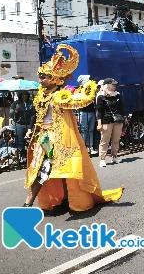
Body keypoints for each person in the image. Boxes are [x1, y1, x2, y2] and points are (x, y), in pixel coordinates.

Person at [22, 44, 123, 213]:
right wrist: (31, 130)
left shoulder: (60, 96)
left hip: (60, 139)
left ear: (54, 78)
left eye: (44, 77)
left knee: (62, 169)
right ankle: (28, 203)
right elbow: (37, 115)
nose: (40, 80)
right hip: (44, 140)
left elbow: (78, 99)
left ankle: (63, 199)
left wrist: (89, 91)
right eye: (40, 77)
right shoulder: (41, 95)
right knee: (41, 168)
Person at [96, 78, 125, 167]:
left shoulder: (117, 95)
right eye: (113, 85)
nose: (115, 87)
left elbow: (121, 107)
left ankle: (115, 156)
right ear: (107, 85)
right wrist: (99, 123)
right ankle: (102, 159)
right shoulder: (101, 96)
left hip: (117, 120)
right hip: (106, 120)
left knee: (116, 140)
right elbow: (99, 111)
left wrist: (124, 118)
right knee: (104, 140)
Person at [77, 75, 98, 156]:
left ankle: (90, 147)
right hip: (84, 112)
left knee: (91, 130)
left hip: (92, 112)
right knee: (84, 129)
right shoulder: (80, 90)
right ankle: (84, 147)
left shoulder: (92, 89)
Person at [10, 92, 35, 160]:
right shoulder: (15, 103)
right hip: (19, 124)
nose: (24, 96)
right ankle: (21, 156)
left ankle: (31, 156)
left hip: (29, 125)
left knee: (31, 140)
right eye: (23, 95)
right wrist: (16, 110)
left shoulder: (31, 103)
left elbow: (34, 113)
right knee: (20, 141)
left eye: (26, 95)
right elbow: (11, 115)